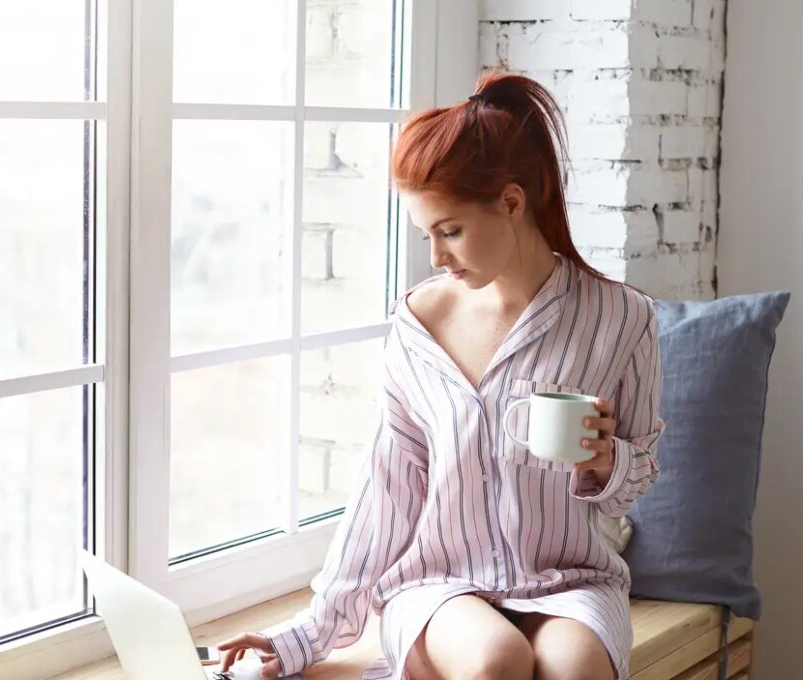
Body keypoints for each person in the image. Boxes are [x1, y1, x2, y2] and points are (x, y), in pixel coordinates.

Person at [216, 71, 664, 680]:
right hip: (441, 584)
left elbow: (640, 472)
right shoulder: (418, 324)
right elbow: (387, 489)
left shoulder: (621, 317)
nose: (436, 256)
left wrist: (605, 461)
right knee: (495, 659)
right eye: (427, 234)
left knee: (576, 668)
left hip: (571, 579)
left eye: (450, 231)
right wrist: (306, 634)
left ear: (510, 202)